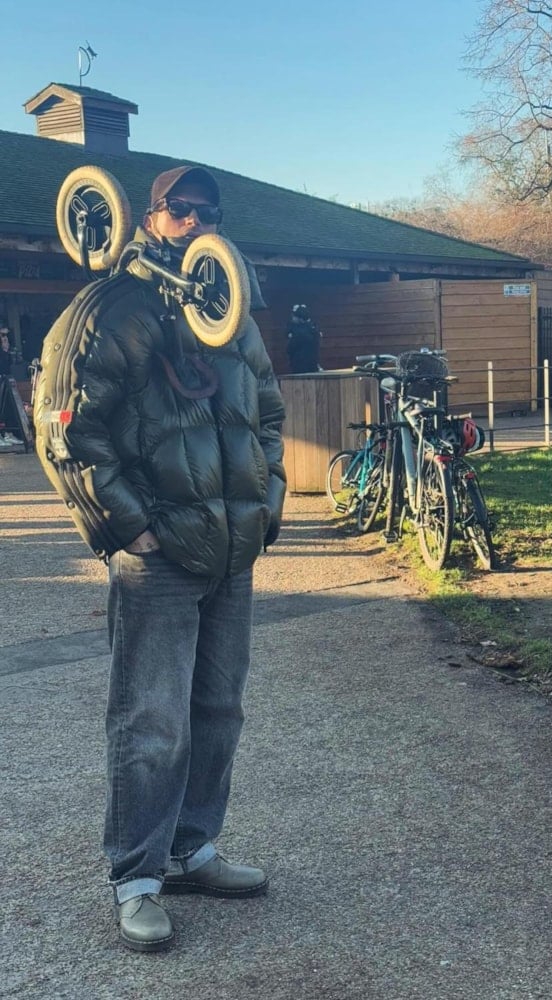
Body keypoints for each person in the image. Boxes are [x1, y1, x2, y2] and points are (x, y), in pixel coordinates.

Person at [34, 165, 287, 952]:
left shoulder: (227, 308)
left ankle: (190, 850)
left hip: (231, 552)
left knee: (218, 711)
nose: (196, 219)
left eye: (208, 210)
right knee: (152, 721)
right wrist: (128, 527)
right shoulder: (113, 306)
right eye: (181, 209)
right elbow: (66, 425)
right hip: (159, 556)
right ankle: (137, 877)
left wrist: (269, 503)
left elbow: (268, 414)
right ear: (150, 218)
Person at [286, 303, 322, 373]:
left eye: (294, 316)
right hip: (313, 363)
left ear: (300, 318)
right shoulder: (313, 328)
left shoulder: (299, 332)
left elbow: (290, 348)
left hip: (300, 365)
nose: (292, 318)